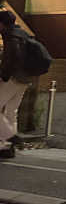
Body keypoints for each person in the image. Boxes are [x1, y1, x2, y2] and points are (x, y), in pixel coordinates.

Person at [0, 9, 33, 159]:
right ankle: (8, 148)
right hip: (25, 78)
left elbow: (12, 58)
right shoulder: (22, 33)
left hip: (13, 78)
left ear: (2, 24)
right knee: (11, 112)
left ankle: (11, 137)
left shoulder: (10, 36)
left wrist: (3, 76)